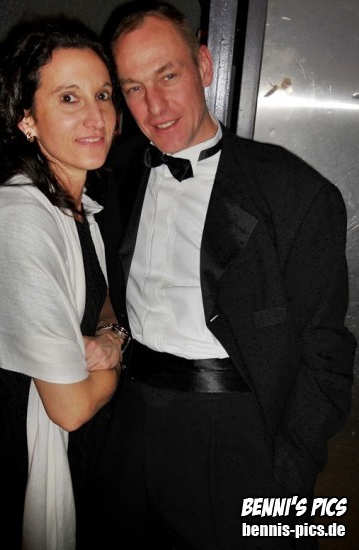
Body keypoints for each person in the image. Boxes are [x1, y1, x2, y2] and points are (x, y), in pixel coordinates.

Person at [88, 2, 357, 549]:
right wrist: (111, 334)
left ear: (204, 66)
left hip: (242, 439)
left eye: (168, 76)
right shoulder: (117, 174)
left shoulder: (297, 193)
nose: (154, 106)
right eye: (134, 88)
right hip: (130, 428)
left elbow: (328, 357)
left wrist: (288, 480)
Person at [0, 15, 130, 550]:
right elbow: (70, 408)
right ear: (26, 118)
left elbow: (101, 300)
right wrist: (121, 358)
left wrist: (111, 336)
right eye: (69, 98)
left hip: (75, 451)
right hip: (26, 459)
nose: (95, 116)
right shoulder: (19, 218)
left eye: (102, 95)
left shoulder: (77, 209)